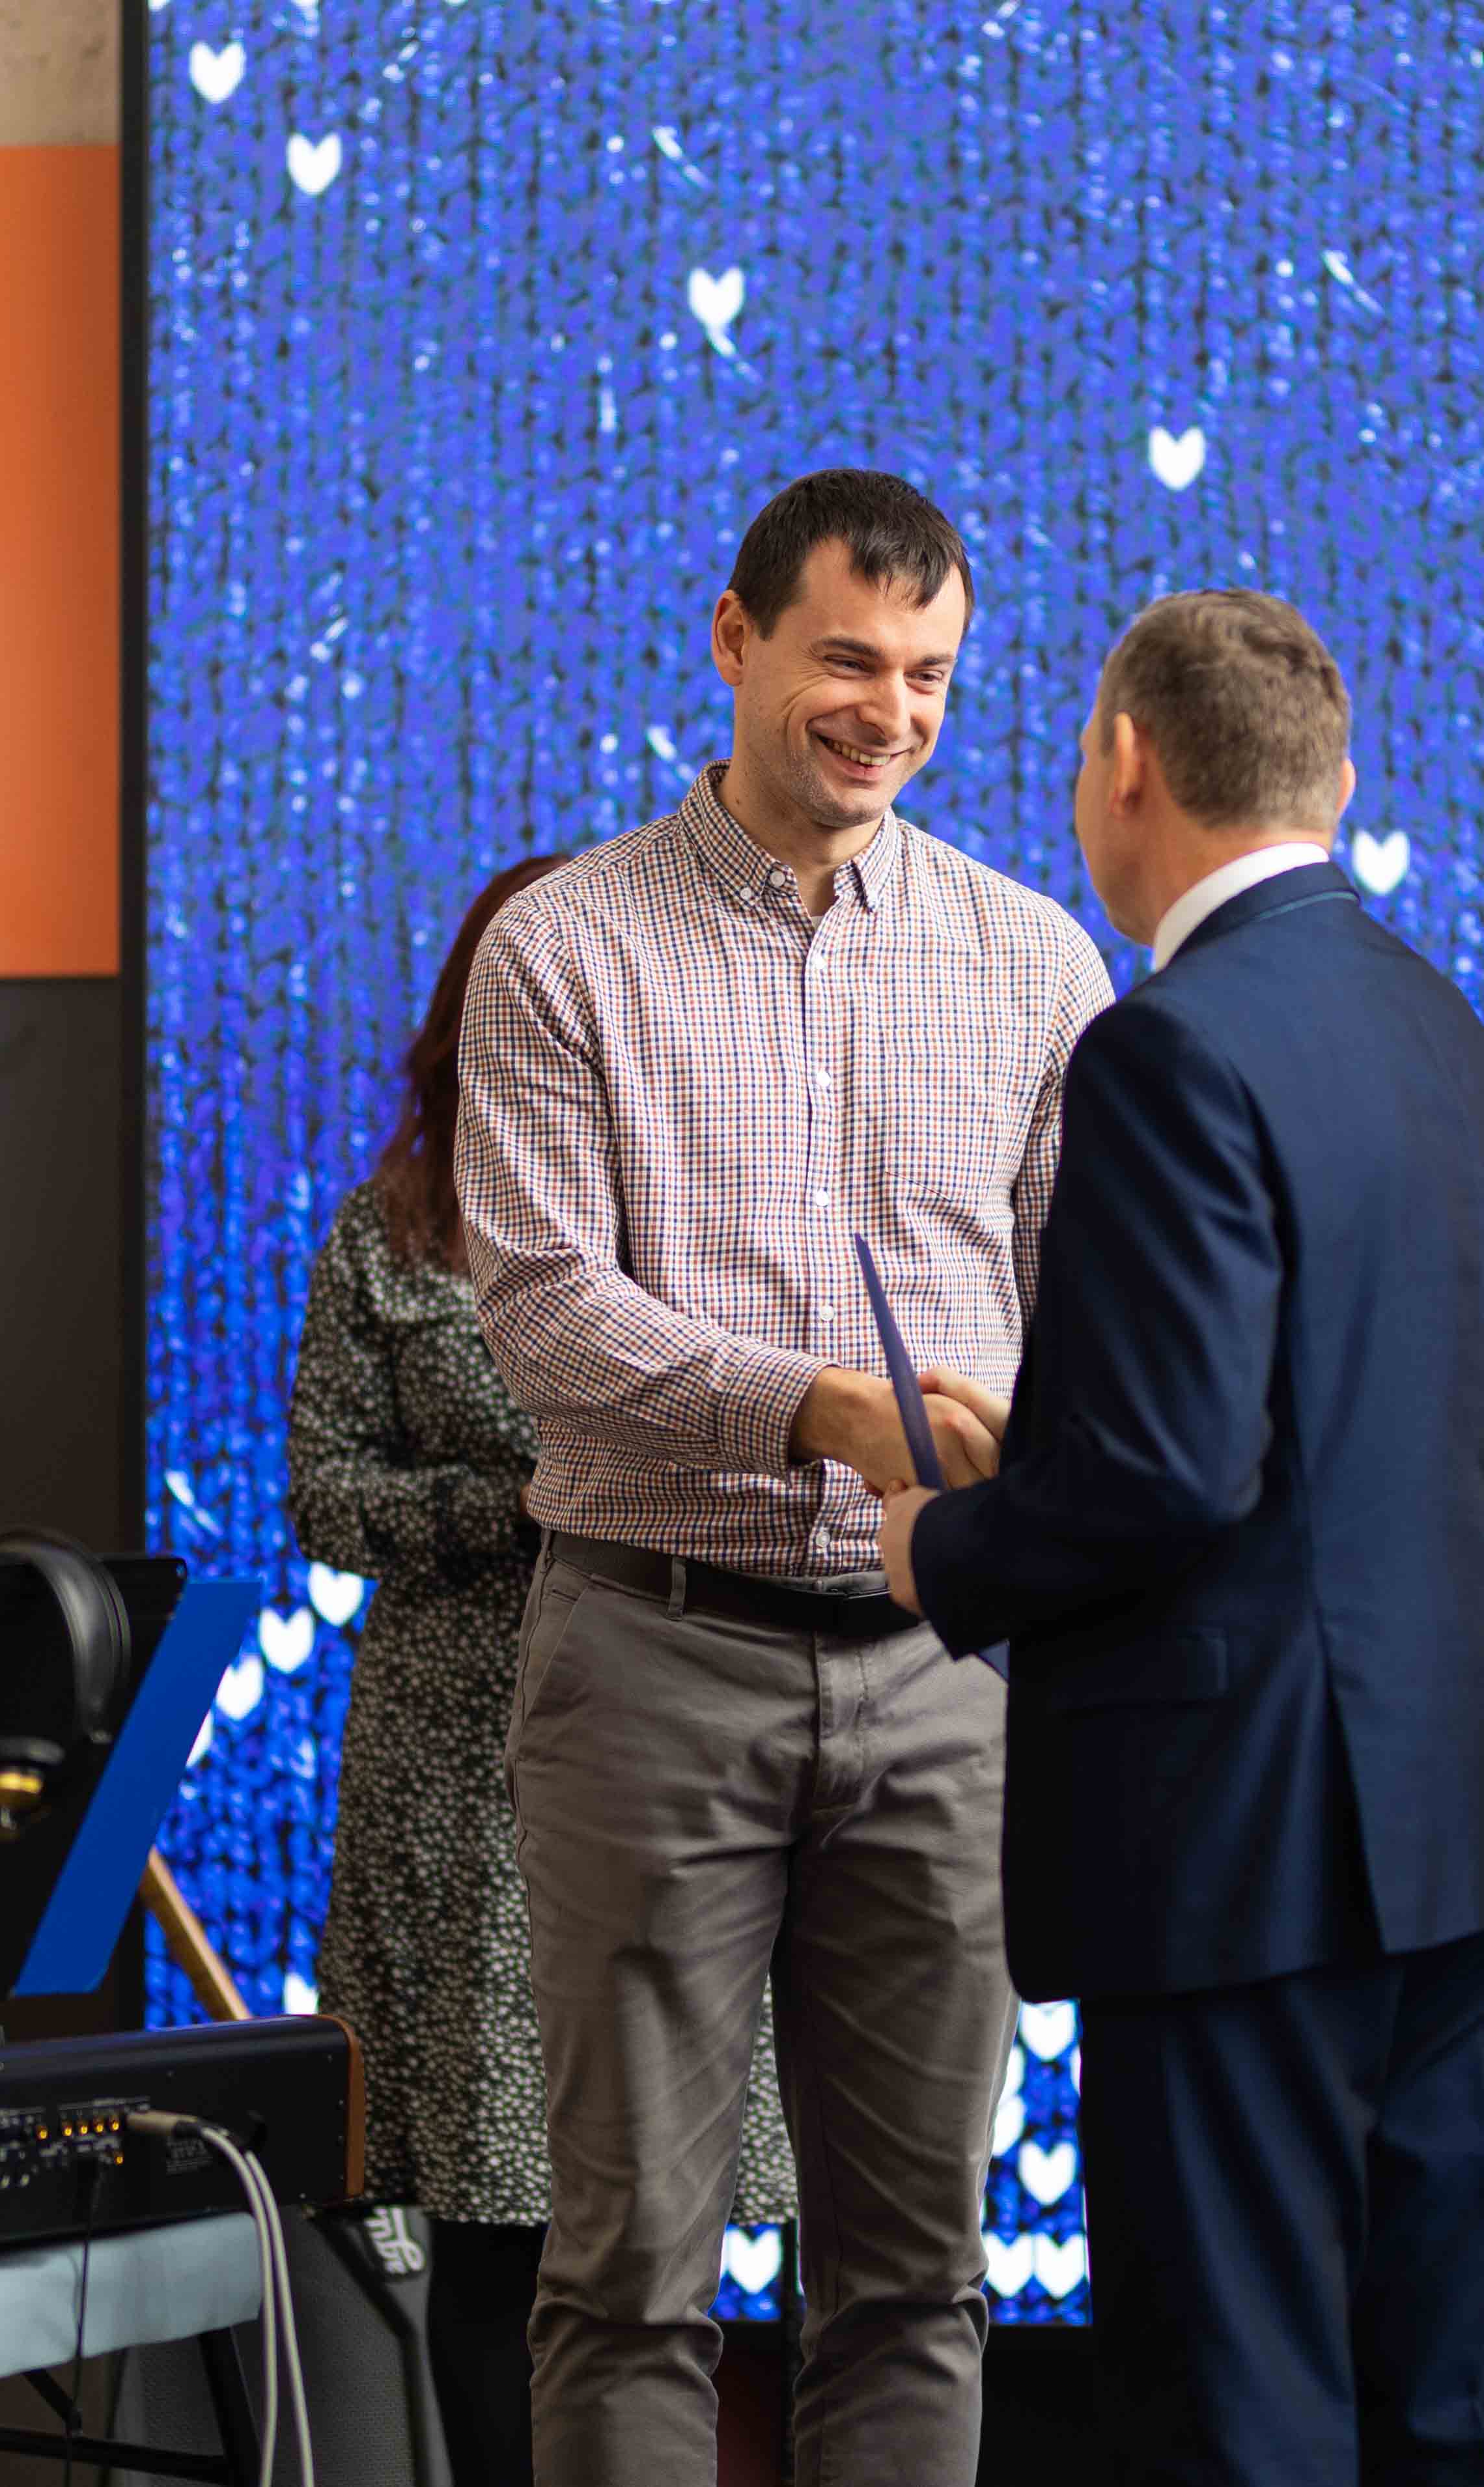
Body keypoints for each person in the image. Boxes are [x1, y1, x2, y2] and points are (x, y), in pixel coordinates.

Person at [454, 469, 1113, 2486]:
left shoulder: (1035, 961)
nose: (888, 711)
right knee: (631, 2275)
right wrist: (819, 1408)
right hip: (651, 1657)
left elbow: (1087, 1314)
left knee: (917, 2277)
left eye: (928, 674)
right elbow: (542, 1309)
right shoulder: (563, 946)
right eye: (847, 658)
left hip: (942, 1680)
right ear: (733, 640)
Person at [877, 590, 1484, 2484]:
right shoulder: (1444, 1029)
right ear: (1333, 780)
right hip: (1455, 1821)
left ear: (1126, 763)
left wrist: (945, 1542)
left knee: (1239, 2422)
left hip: (1244, 1839)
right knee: (1443, 2405)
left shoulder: (1166, 1045)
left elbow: (1169, 1470)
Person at [289, 854, 802, 2487]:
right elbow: (323, 1495)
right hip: (455, 1776)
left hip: (668, 1727)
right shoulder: (392, 1232)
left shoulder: (700, 1205)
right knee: (491, 2213)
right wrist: (504, 1504)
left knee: (665, 2209)